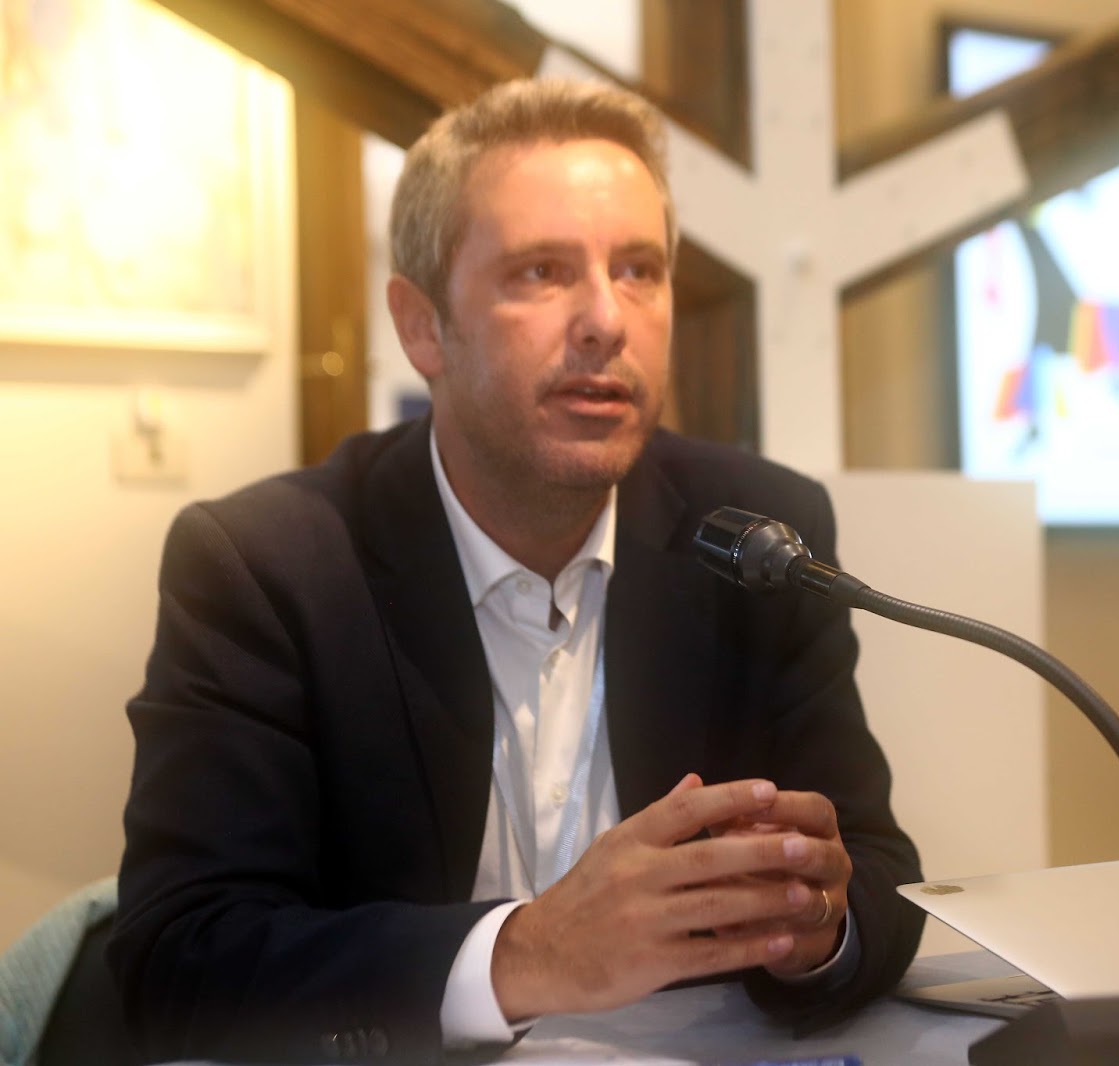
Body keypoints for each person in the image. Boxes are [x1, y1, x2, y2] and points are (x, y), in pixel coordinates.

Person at [109, 77, 924, 1063]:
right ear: (422, 326)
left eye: (639, 270)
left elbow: (878, 875)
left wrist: (817, 927)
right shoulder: (267, 565)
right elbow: (180, 961)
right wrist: (527, 954)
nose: (606, 321)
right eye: (542, 272)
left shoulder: (757, 537)